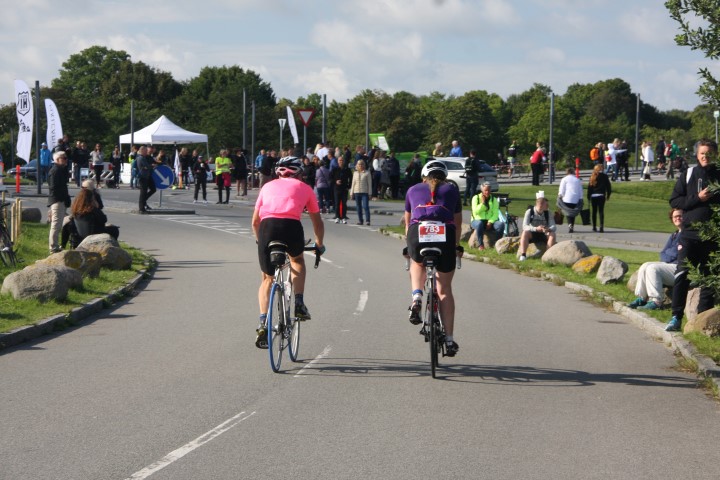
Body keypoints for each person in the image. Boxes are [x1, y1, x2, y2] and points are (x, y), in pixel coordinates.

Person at [251, 156, 325, 349]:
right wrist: (319, 243)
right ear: (298, 173)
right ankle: (299, 303)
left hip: (267, 228)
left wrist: (260, 243)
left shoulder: (266, 187)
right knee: (297, 259)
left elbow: (255, 222)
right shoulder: (305, 188)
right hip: (291, 227)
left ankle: (262, 322)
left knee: (267, 278)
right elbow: (317, 221)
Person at [404, 159, 462, 356]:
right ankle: (449, 338)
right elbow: (457, 223)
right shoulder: (452, 190)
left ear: (423, 177)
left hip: (417, 233)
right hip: (444, 235)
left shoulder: (412, 190)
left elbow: (408, 221)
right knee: (444, 289)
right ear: (444, 177)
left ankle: (417, 297)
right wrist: (456, 247)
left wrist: (408, 246)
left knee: (416, 261)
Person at [667, 139, 720, 332]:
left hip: (713, 235)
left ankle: (702, 319)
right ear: (697, 155)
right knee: (682, 273)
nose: (706, 157)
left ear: (716, 155)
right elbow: (674, 199)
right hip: (690, 234)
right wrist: (697, 198)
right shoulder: (689, 174)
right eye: (702, 153)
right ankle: (676, 317)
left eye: (709, 153)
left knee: (709, 277)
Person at [627, 209, 684, 311]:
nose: (677, 218)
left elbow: (675, 254)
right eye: (675, 217)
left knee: (653, 268)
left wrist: (669, 255)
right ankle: (643, 298)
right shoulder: (674, 235)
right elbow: (663, 253)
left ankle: (657, 301)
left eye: (680, 216)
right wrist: (669, 255)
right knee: (645, 265)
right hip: (670, 265)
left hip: (679, 269)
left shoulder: (686, 234)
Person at [518, 193, 557, 261]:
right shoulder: (530, 212)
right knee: (525, 233)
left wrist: (548, 229)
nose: (548, 206)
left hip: (544, 233)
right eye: (546, 204)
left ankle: (546, 257)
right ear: (541, 205)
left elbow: (553, 226)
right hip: (533, 233)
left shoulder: (548, 213)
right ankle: (523, 255)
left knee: (552, 234)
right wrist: (536, 229)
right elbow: (524, 226)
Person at [47, 151, 71, 253]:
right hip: (57, 200)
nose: (66, 159)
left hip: (61, 200)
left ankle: (55, 246)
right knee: (56, 224)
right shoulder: (55, 171)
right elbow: (53, 187)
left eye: (66, 157)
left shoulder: (61, 170)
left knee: (59, 224)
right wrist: (62, 197)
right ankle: (53, 247)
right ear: (57, 160)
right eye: (63, 158)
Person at [470, 182, 504, 250]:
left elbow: (496, 213)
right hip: (477, 221)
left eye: (489, 190)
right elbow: (475, 211)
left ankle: (496, 244)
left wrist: (490, 222)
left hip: (489, 221)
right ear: (482, 190)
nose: (487, 192)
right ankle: (481, 245)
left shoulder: (494, 199)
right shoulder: (475, 198)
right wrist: (483, 204)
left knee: (501, 224)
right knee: (479, 224)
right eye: (485, 190)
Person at [587, 164, 612, 232]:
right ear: (601, 169)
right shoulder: (604, 176)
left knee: (594, 211)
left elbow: (590, 188)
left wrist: (588, 196)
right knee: (601, 211)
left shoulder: (592, 176)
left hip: (593, 196)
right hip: (601, 195)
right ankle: (601, 226)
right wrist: (608, 194)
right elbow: (608, 186)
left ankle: (594, 226)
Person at [557, 168, 584, 233]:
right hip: (575, 199)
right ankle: (572, 225)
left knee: (568, 213)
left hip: (566, 198)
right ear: (573, 172)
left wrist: (560, 196)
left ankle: (570, 225)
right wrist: (581, 198)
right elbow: (580, 190)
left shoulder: (564, 179)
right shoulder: (577, 180)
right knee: (572, 213)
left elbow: (562, 190)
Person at [351, 159, 372, 225]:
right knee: (358, 207)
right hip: (356, 192)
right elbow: (353, 183)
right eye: (359, 164)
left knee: (365, 206)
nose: (360, 165)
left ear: (364, 165)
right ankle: (360, 220)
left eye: (362, 164)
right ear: (357, 165)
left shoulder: (367, 173)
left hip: (364, 192)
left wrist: (370, 193)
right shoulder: (355, 173)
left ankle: (368, 220)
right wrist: (351, 193)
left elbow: (369, 184)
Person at [331, 156, 352, 223]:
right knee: (337, 203)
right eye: (340, 160)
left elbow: (351, 178)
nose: (341, 162)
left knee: (344, 204)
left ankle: (343, 217)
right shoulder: (335, 169)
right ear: (338, 161)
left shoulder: (347, 169)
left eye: (342, 160)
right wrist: (336, 181)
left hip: (344, 188)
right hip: (337, 188)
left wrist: (349, 186)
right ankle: (337, 217)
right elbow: (330, 178)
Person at [136, 145, 157, 214]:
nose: (146, 152)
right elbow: (146, 166)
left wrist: (149, 166)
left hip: (146, 176)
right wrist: (151, 166)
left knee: (151, 189)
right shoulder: (140, 158)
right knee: (143, 193)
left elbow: (147, 167)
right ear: (142, 151)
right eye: (145, 151)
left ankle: (143, 203)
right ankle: (141, 208)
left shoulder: (144, 157)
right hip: (143, 177)